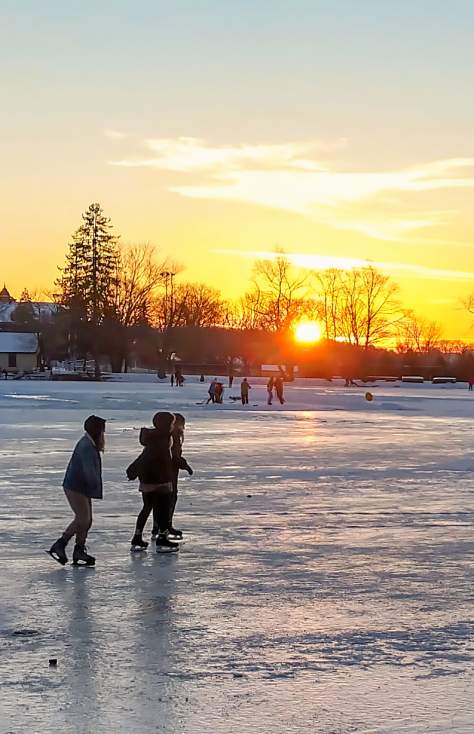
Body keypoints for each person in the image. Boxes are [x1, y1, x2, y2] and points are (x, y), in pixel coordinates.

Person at [48, 415, 106, 566]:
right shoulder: (86, 446)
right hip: (75, 486)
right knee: (82, 519)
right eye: (103, 431)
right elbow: (89, 472)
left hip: (81, 486)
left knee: (87, 520)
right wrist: (95, 488)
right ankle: (60, 544)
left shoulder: (89, 442)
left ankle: (79, 549)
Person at [127, 412, 179, 553]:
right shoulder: (161, 439)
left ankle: (137, 536)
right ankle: (162, 540)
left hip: (148, 480)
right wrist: (133, 469)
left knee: (147, 507)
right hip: (159, 480)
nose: (173, 426)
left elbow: (145, 455)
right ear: (166, 425)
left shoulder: (154, 437)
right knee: (162, 509)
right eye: (172, 424)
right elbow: (147, 456)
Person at [149, 413, 193, 539]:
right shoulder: (172, 437)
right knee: (168, 500)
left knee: (161, 501)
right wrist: (185, 465)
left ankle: (160, 526)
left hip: (165, 472)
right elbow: (174, 457)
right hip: (168, 474)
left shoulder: (170, 436)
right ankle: (164, 527)